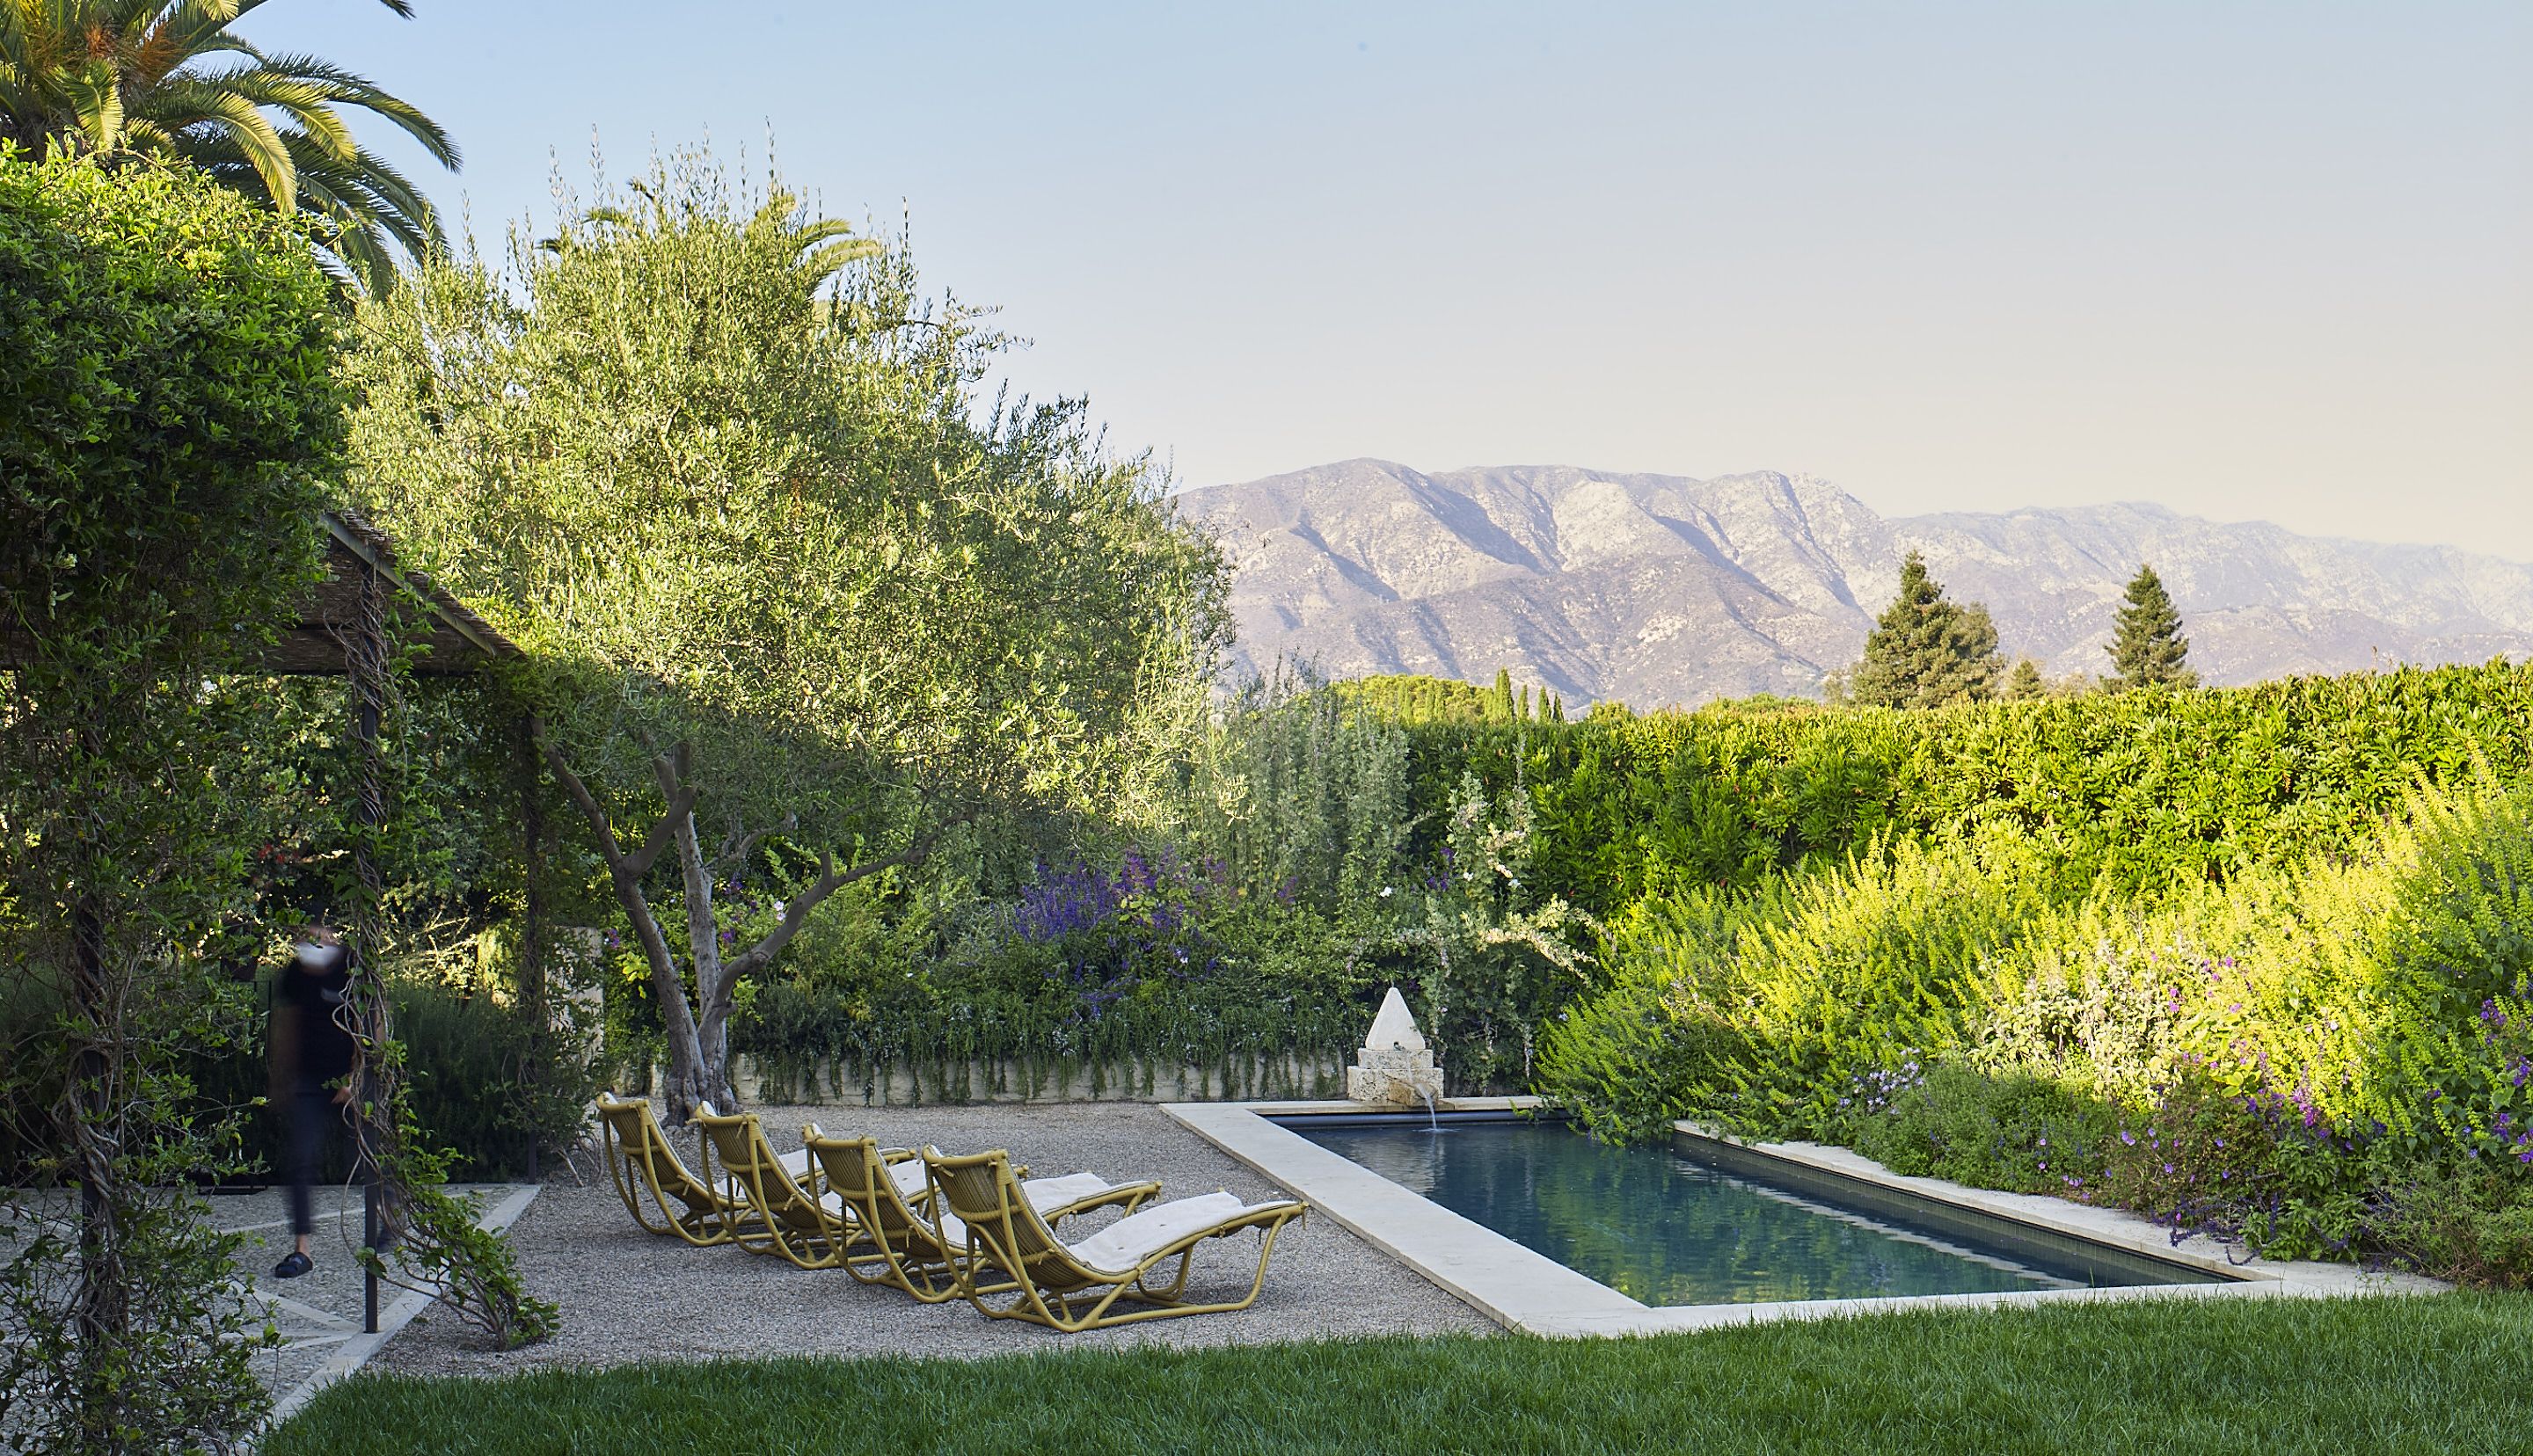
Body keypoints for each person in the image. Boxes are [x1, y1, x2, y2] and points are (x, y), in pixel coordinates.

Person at [268, 921, 357, 1279]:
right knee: (300, 1162)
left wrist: (356, 1076)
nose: (311, 945)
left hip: (352, 1078)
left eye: (318, 938)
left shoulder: (351, 967)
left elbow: (373, 1023)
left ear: (332, 936)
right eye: (302, 940)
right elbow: (286, 1024)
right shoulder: (295, 974)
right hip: (309, 1079)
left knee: (367, 1156)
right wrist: (279, 1078)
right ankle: (301, 1250)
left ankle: (387, 1218)